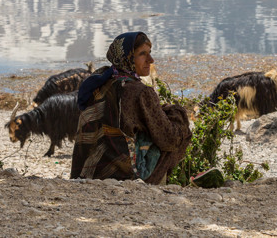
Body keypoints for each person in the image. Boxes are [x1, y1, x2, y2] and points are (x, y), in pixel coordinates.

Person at [71, 31, 191, 184]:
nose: (150, 60)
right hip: (123, 174)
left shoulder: (102, 80)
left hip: (89, 171)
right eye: (142, 54)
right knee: (178, 134)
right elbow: (168, 139)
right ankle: (156, 184)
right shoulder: (138, 91)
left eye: (150, 53)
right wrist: (177, 113)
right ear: (127, 58)